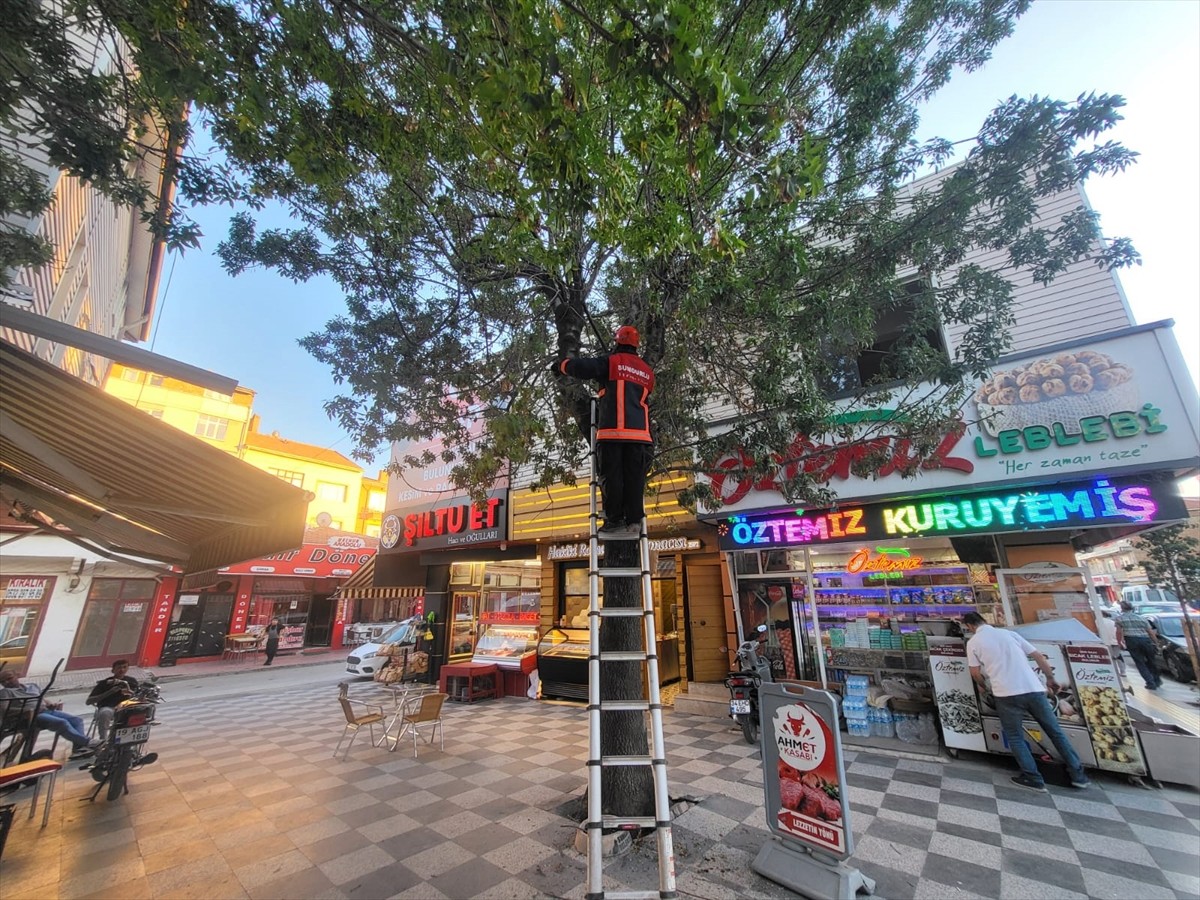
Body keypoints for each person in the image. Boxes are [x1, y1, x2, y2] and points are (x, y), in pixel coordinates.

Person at [961, 611, 1090, 792]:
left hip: (1006, 694)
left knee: (1015, 737)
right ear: (983, 620)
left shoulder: (974, 642)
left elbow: (975, 673)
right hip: (1034, 690)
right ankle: (1078, 776)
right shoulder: (1009, 634)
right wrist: (1050, 679)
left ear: (969, 626)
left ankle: (1033, 778)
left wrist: (984, 687)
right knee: (1055, 732)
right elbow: (1039, 657)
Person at [557, 324, 655, 540]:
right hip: (640, 436)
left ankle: (614, 520)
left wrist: (563, 365)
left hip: (613, 433)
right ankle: (634, 521)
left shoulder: (611, 362)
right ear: (636, 345)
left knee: (612, 477)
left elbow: (584, 367)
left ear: (617, 342)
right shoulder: (647, 372)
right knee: (634, 478)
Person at [0, 669, 99, 759]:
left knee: (77, 720)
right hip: (32, 716)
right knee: (61, 723)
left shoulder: (32, 686)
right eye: (3, 681)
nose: (6, 682)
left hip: (46, 710)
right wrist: (28, 710)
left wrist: (50, 703)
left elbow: (41, 698)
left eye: (9, 678)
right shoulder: (6, 692)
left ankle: (79, 748)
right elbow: (4, 709)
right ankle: (88, 742)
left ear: (17, 676)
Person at [86, 659, 139, 741]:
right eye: (119, 667)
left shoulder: (132, 681)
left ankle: (129, 741)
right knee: (105, 713)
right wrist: (109, 692)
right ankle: (103, 740)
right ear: (113, 670)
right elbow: (88, 701)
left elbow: (138, 694)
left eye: (124, 667)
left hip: (126, 708)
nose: (122, 670)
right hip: (109, 708)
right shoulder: (105, 683)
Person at [1115, 601, 1162, 690]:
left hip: (1131, 640)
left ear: (1122, 609)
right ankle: (1157, 680)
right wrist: (1155, 642)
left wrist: (1119, 642)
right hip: (1145, 640)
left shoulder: (1119, 619)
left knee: (1139, 662)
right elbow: (1150, 632)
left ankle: (1150, 682)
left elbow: (1119, 632)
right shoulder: (1141, 618)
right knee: (1151, 661)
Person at [1096, 609, 1126, 676]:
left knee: (1105, 657)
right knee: (1118, 656)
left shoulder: (1097, 621)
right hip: (1115, 641)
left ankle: (1108, 671)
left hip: (1104, 641)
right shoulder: (1112, 622)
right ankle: (1123, 671)